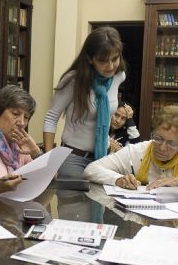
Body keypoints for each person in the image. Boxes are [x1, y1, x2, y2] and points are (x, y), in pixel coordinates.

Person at [83, 105, 178, 191]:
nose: (162, 147)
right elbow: (91, 169)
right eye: (158, 138)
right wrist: (118, 180)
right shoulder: (138, 151)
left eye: (172, 143)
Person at [43, 26, 127, 178]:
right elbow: (51, 117)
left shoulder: (119, 76)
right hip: (73, 159)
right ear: (90, 59)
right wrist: (49, 161)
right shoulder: (74, 80)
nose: (110, 66)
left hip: (102, 159)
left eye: (115, 59)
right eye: (103, 61)